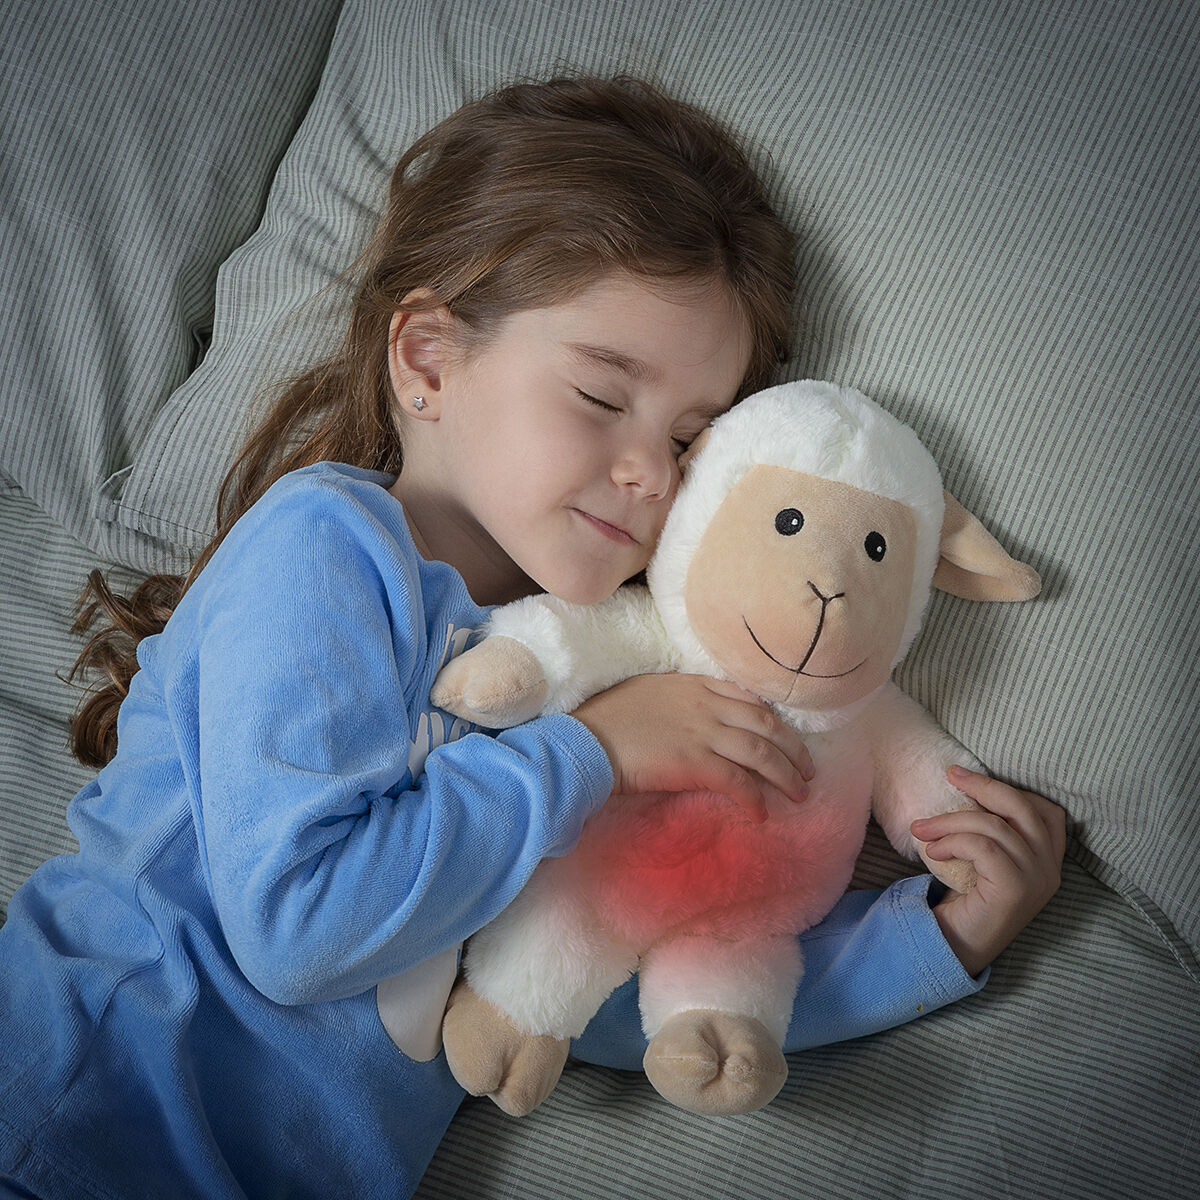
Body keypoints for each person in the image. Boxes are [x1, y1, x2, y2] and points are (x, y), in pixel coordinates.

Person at [0, 76, 1065, 1200]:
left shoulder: (617, 676)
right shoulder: (328, 548)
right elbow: (299, 927)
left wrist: (939, 942)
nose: (652, 471)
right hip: (71, 1119)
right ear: (427, 364)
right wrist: (595, 754)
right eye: (603, 398)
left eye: (693, 439)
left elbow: (605, 986)